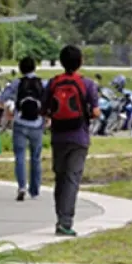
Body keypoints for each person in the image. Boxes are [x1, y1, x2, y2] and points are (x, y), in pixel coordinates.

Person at [44, 46, 100, 237]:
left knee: (60, 177)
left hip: (58, 136)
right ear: (80, 61)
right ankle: (65, 222)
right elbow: (95, 112)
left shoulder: (53, 83)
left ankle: (60, 217)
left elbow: (45, 109)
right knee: (72, 178)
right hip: (79, 137)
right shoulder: (87, 84)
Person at [0, 57, 46, 201]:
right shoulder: (42, 83)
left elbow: (2, 98)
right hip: (37, 124)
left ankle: (21, 187)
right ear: (34, 68)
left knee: (20, 155)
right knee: (35, 157)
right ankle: (35, 190)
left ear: (20, 69)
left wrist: (8, 107)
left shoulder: (17, 83)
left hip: (20, 122)